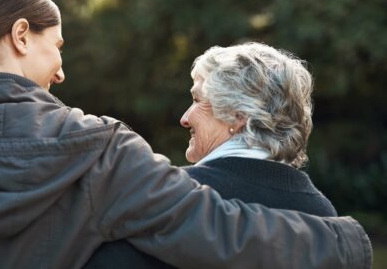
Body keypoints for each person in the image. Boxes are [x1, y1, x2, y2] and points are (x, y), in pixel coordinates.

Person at [0, 0, 371, 269]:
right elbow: (225, 231)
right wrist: (343, 242)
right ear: (20, 36)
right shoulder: (99, 152)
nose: (61, 70)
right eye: (56, 47)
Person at [85, 43, 338, 268]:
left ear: (239, 115)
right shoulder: (323, 213)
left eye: (197, 100)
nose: (184, 118)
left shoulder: (174, 197)